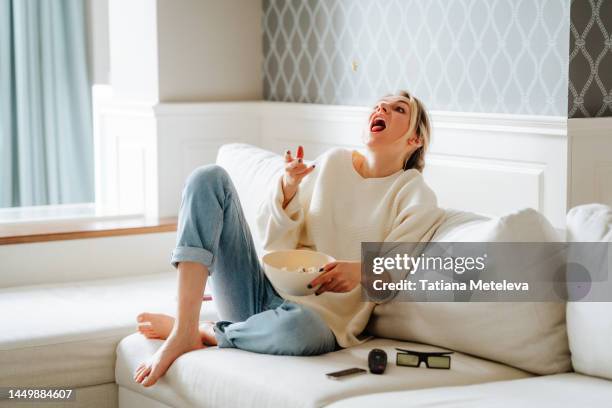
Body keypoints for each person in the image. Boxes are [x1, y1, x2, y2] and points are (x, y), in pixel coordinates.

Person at [133, 90, 446, 387]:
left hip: (316, 322)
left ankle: (208, 332)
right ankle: (184, 327)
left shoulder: (414, 194)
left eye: (398, 109)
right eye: (380, 105)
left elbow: (401, 267)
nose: (382, 110)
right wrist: (287, 190)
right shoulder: (334, 162)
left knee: (298, 330)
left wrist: (360, 270)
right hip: (259, 292)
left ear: (415, 139)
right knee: (207, 178)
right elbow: (277, 246)